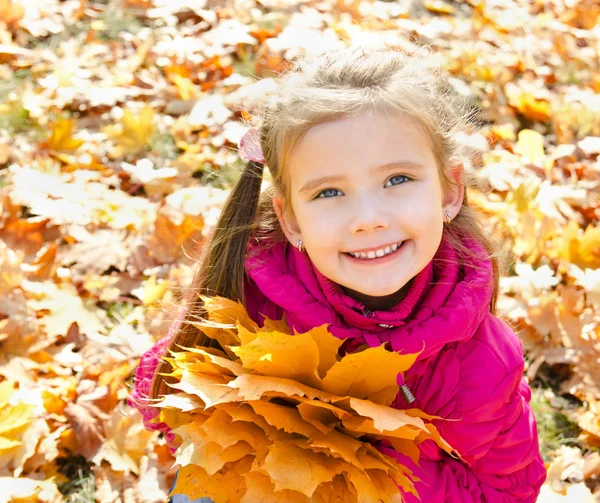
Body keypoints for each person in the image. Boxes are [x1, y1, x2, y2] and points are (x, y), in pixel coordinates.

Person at [127, 44, 547, 502]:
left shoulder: (481, 362)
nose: (368, 218)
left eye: (397, 180)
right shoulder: (255, 298)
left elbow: (507, 489)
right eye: (329, 192)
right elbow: (175, 398)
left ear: (449, 191)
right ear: (290, 219)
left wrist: (361, 465)